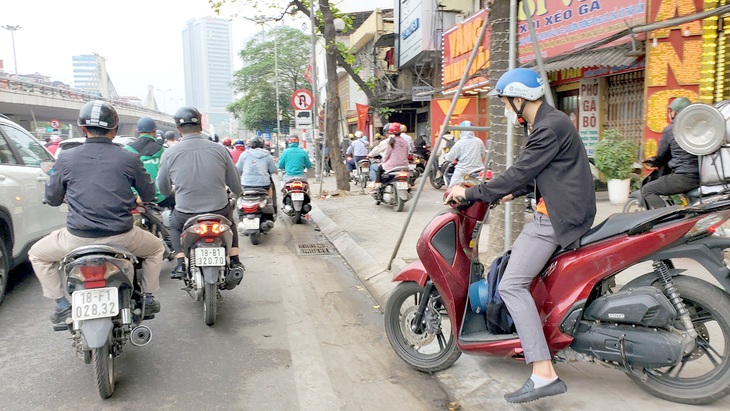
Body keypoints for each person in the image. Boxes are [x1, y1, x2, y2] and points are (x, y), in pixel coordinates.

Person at [446, 68, 595, 404]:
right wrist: (510, 192)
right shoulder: (550, 122)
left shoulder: (547, 127)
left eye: (503, 102)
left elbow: (520, 171)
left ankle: (543, 373)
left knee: (511, 284)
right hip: (565, 209)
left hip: (555, 219)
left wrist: (471, 194)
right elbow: (540, 173)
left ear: (517, 98)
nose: (503, 109)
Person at [28, 101, 164, 326]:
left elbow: (52, 198)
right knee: (156, 249)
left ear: (83, 128)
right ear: (115, 129)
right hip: (123, 236)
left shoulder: (66, 158)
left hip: (77, 238)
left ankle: (62, 304)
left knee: (38, 255)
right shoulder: (128, 158)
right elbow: (148, 193)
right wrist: (140, 200)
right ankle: (148, 298)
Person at [157, 106, 244, 280]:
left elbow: (163, 188)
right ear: (200, 124)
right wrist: (238, 193)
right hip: (219, 210)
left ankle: (180, 262)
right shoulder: (219, 149)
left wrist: (171, 191)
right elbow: (234, 183)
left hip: (185, 212)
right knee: (231, 222)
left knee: (174, 226)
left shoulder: (169, 153)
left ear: (179, 129)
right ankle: (234, 259)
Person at [641, 97, 698, 209]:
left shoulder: (671, 130)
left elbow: (662, 156)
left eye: (670, 111)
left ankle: (665, 218)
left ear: (674, 113)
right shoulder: (699, 129)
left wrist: (653, 161)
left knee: (647, 190)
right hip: (702, 176)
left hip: (684, 177)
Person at [125, 117, 174, 208]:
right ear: (154, 131)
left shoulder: (127, 150)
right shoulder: (164, 150)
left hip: (136, 198)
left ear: (137, 131)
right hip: (161, 197)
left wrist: (136, 195)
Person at [236, 136, 278, 205]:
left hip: (246, 184)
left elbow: (238, 169)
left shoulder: (244, 154)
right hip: (263, 185)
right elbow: (273, 169)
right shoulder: (267, 155)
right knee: (270, 186)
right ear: (262, 145)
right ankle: (270, 202)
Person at [443, 121, 486, 187]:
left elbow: (450, 157)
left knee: (452, 187)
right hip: (478, 169)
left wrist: (445, 156)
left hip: (463, 170)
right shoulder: (479, 141)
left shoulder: (460, 143)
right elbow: (483, 155)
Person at [374, 122, 410, 189]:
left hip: (392, 165)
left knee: (379, 168)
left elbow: (387, 154)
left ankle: (377, 186)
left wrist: (383, 162)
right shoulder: (405, 141)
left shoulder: (391, 141)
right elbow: (406, 153)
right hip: (404, 165)